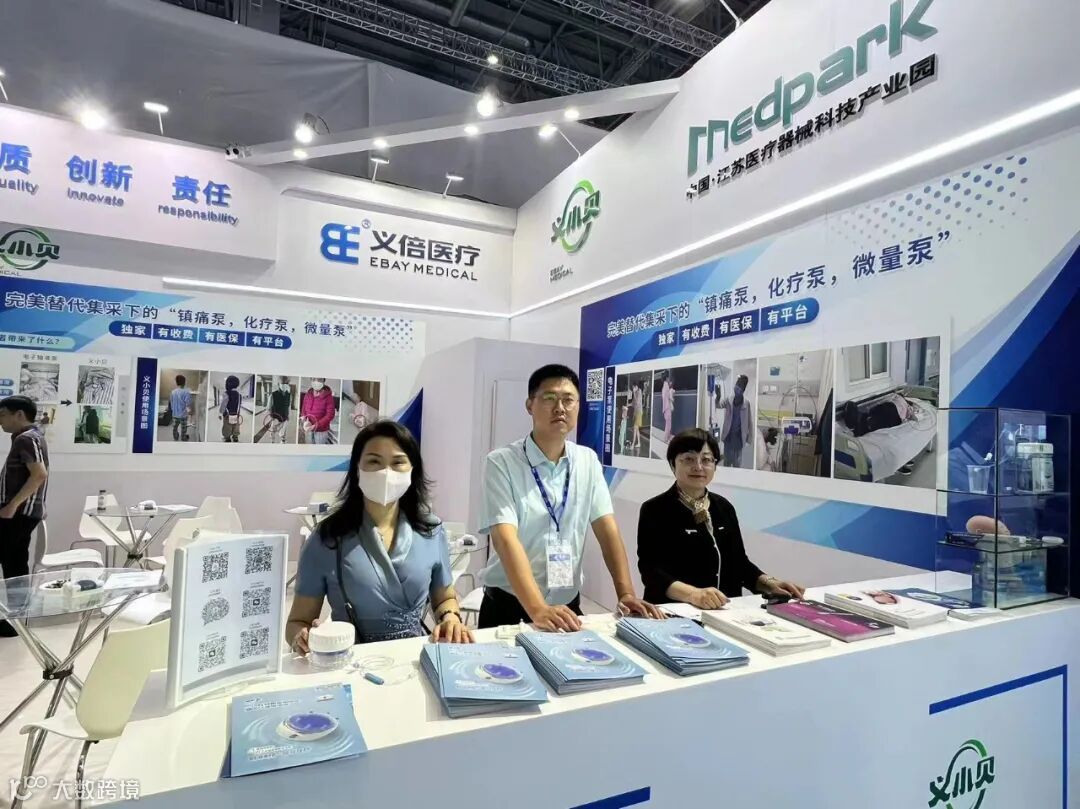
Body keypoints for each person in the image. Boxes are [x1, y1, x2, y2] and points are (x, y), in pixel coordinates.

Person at [478, 364, 662, 631]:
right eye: (549, 398)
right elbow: (505, 539)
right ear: (529, 405)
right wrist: (537, 608)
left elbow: (607, 529)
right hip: (509, 606)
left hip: (566, 606)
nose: (560, 408)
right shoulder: (502, 462)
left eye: (568, 400)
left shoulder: (587, 461)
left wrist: (626, 593)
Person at [286, 421, 471, 647]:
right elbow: (297, 622)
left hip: (414, 658)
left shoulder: (431, 531)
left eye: (398, 462)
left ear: (412, 470)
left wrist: (450, 618)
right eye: (374, 461)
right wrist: (302, 637)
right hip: (352, 661)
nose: (386, 472)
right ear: (357, 469)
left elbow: (445, 598)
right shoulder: (327, 539)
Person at [637, 428, 803, 611]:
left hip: (724, 612)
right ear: (672, 464)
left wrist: (769, 583)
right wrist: (693, 594)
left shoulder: (724, 508)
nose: (698, 467)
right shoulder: (655, 510)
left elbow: (739, 563)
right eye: (689, 459)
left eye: (706, 460)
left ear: (715, 465)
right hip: (673, 613)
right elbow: (651, 572)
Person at [0, 396, 49, 638]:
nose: (0, 421)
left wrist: (12, 505)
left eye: (3, 415)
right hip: (23, 513)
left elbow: (39, 474)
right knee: (15, 563)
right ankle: (16, 620)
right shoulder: (29, 437)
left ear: (19, 414)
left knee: (14, 563)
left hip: (18, 514)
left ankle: (15, 620)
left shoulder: (26, 439)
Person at [716, 374, 752, 468]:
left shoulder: (746, 403)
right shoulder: (729, 400)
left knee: (737, 465)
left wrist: (749, 439)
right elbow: (718, 405)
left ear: (743, 391)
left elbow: (749, 422)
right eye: (736, 386)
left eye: (739, 388)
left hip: (739, 440)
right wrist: (718, 397)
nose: (736, 389)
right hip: (728, 438)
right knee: (727, 464)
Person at [301, 378, 336, 445]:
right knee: (309, 447)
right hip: (308, 428)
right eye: (314, 379)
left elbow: (330, 414)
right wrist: (305, 420)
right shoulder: (308, 394)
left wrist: (315, 425)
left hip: (321, 431)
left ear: (323, 381)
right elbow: (303, 409)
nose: (316, 382)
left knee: (319, 449)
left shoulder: (328, 397)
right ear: (311, 380)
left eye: (319, 380)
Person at [219, 374, 243, 442]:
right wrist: (238, 413)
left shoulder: (226, 393)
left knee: (227, 426)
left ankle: (227, 437)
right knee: (236, 425)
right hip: (236, 414)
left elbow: (223, 405)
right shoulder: (239, 395)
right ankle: (235, 437)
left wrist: (220, 413)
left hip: (227, 414)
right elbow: (239, 405)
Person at [268, 377, 291, 444]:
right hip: (275, 418)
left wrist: (288, 415)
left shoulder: (289, 395)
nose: (284, 385)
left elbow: (288, 406)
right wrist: (271, 417)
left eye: (286, 383)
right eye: (282, 383)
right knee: (273, 432)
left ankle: (282, 441)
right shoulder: (273, 395)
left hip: (284, 418)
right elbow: (269, 407)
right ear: (278, 384)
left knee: (283, 433)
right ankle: (272, 442)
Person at [169, 375, 192, 441]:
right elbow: (188, 403)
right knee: (183, 427)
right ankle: (183, 437)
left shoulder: (173, 392)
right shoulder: (186, 392)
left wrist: (173, 410)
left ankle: (175, 437)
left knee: (175, 427)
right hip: (183, 414)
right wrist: (189, 411)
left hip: (175, 414)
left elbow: (171, 402)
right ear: (184, 382)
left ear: (176, 382)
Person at [631, 382, 643, 453]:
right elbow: (633, 403)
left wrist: (634, 393)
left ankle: (633, 444)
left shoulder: (639, 392)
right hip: (636, 412)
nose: (633, 389)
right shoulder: (635, 393)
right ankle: (639, 443)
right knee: (637, 429)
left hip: (639, 412)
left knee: (635, 428)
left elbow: (637, 402)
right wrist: (628, 404)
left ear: (636, 387)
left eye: (633, 387)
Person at [661, 372, 674, 441]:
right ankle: (666, 437)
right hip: (667, 406)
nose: (669, 379)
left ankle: (668, 436)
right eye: (668, 377)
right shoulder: (666, 386)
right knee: (668, 423)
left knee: (668, 422)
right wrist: (671, 390)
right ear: (667, 378)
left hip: (665, 407)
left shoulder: (665, 385)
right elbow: (668, 396)